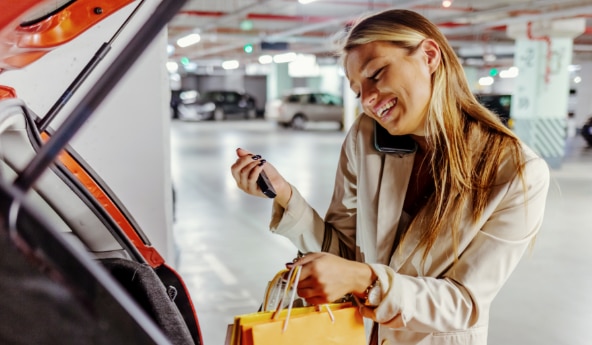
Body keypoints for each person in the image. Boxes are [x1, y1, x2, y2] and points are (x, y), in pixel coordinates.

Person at [230, 8, 550, 345]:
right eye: (357, 90)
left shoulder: (516, 173)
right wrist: (284, 195)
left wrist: (366, 280)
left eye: (377, 73)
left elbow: (465, 304)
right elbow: (343, 255)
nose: (367, 100)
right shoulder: (366, 137)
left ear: (429, 56)